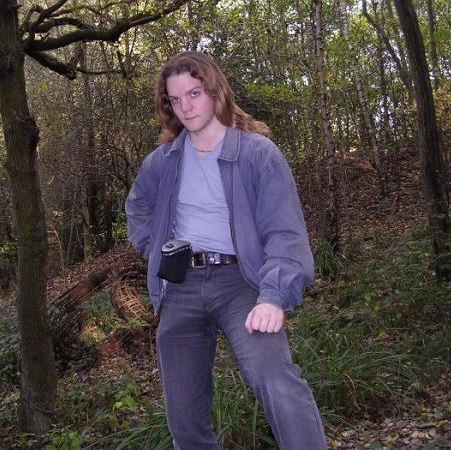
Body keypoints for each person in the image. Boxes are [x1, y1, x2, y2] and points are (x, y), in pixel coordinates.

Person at [125, 51, 326, 450]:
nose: (185, 106)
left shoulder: (257, 154)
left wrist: (273, 296)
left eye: (194, 93)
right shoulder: (163, 162)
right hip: (181, 286)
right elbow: (138, 209)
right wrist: (158, 252)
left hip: (243, 283)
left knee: (275, 380)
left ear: (215, 92)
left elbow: (285, 232)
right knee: (183, 416)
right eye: (175, 99)